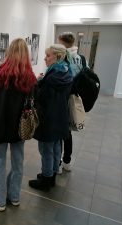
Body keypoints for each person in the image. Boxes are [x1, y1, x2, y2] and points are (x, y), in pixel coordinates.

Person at [0, 38, 36, 211]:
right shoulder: (30, 78)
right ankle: (14, 197)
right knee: (18, 162)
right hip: (19, 129)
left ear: (9, 52)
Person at [28, 44, 73, 191]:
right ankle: (52, 175)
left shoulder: (51, 77)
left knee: (46, 149)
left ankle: (46, 180)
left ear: (58, 57)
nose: (45, 58)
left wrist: (37, 82)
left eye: (48, 56)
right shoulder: (67, 72)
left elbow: (41, 97)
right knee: (56, 147)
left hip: (48, 118)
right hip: (60, 117)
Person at [57, 32, 87, 173]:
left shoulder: (63, 57)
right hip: (74, 97)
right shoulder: (81, 58)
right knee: (68, 132)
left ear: (63, 43)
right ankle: (67, 162)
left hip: (62, 99)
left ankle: (57, 162)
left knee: (59, 132)